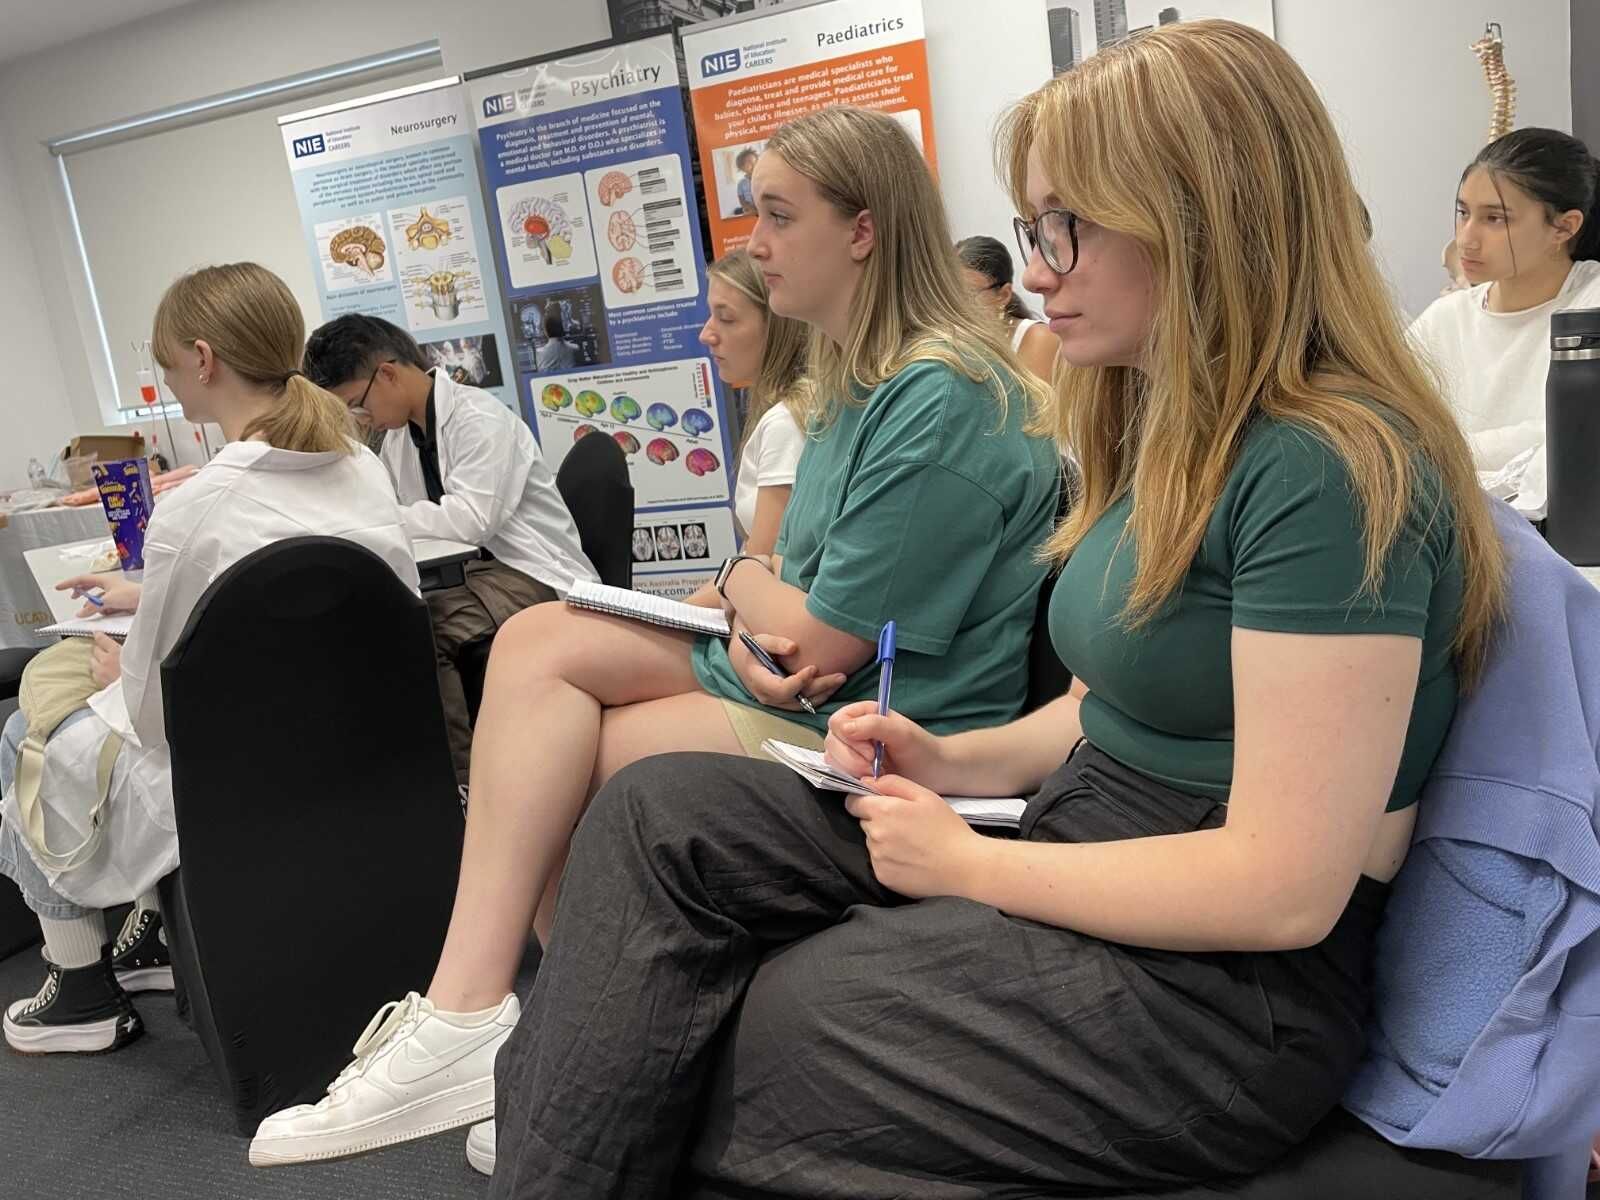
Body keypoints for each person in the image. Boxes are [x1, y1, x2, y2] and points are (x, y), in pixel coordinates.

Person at [480, 21, 1509, 1196]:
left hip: (1219, 997)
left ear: (1204, 217)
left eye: (1067, 226)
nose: (1040, 271)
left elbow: (1280, 887)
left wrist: (970, 867)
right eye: (1033, 228)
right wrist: (949, 758)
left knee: (751, 1035)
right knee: (660, 809)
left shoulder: (1324, 466)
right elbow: (1103, 710)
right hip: (1092, 837)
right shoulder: (1166, 426)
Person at [248, 104, 1061, 1169]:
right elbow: (793, 588)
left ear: (863, 230)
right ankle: (487, 1014)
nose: (758, 245)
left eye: (779, 217)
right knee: (532, 642)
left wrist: (745, 583)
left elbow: (818, 638)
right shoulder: (861, 382)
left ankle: (565, 1039)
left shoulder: (935, 394)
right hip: (809, 676)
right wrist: (753, 590)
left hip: (885, 719)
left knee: (585, 767)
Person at [0, 263, 417, 1054]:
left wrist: (115, 677)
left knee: (25, 732)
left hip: (237, 771)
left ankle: (80, 989)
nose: (164, 380)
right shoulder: (358, 466)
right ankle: (151, 936)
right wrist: (146, 598)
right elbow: (288, 593)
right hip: (357, 743)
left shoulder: (196, 508)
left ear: (202, 358)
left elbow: (157, 716)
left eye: (165, 363)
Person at [302, 315, 597, 785]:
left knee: (424, 631)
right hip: (471, 575)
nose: (362, 419)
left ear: (388, 374)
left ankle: (464, 785)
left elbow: (471, 520)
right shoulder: (401, 437)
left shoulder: (479, 419)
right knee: (382, 617)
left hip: (529, 573)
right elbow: (408, 515)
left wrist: (383, 518)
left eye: (356, 404)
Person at [1410, 127, 1600, 507]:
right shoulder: (1444, 321)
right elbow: (1390, 428)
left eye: (1495, 219)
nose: (1466, 239)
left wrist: (1449, 451)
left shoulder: (1590, 305)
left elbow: (1574, 438)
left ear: (1564, 227)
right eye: (1463, 213)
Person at [698, 249, 808, 554]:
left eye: (726, 318)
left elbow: (762, 562)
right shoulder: (784, 411)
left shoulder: (784, 424)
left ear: (777, 325)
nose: (706, 334)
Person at [958, 233, 1061, 381]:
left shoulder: (1039, 339)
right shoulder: (956, 342)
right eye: (950, 293)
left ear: (1003, 295)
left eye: (968, 293)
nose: (956, 303)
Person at [734, 147, 758, 215]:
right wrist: (749, 207)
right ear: (741, 167)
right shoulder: (741, 184)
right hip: (750, 210)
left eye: (755, 162)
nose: (753, 165)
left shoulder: (763, 178)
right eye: (749, 162)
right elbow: (742, 200)